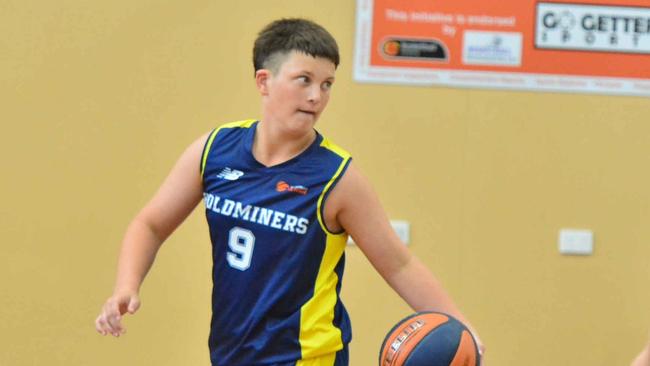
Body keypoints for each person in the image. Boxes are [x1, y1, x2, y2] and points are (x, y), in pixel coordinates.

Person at [95, 18, 485, 365]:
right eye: (305, 80)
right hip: (231, 351)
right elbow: (150, 224)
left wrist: (463, 331)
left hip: (306, 356)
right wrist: (126, 287)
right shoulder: (215, 150)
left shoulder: (336, 177)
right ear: (264, 81)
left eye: (327, 84)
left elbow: (399, 264)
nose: (317, 96)